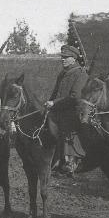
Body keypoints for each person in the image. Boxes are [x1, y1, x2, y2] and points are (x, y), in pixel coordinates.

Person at [44, 44, 88, 175]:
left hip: (73, 109)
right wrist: (49, 104)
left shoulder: (81, 73)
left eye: (66, 57)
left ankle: (70, 161)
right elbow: (55, 93)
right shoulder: (62, 74)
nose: (62, 59)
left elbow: (75, 97)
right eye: (62, 57)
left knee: (67, 124)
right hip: (58, 108)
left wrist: (54, 103)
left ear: (74, 59)